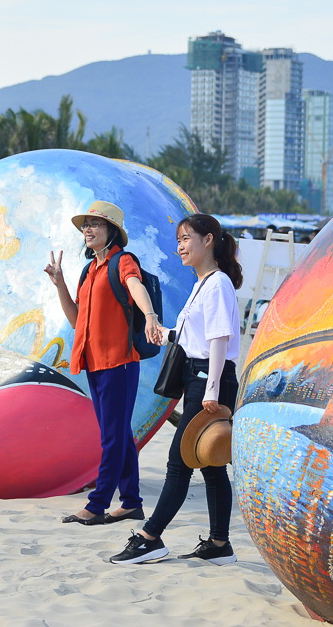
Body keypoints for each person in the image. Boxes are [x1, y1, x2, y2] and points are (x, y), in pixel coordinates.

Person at [110, 213, 243, 565]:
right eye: (178, 240)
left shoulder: (217, 284)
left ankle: (150, 537)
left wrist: (212, 391)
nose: (180, 246)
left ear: (208, 240)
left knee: (179, 462)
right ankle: (219, 544)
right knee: (210, 464)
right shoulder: (203, 284)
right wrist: (166, 334)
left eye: (186, 238)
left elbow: (218, 340)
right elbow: (197, 336)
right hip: (199, 376)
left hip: (209, 379)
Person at [44, 201, 160, 526]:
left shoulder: (122, 261)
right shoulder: (90, 270)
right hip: (95, 364)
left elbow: (135, 286)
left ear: (111, 232)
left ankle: (97, 505)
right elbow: (77, 320)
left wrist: (150, 316)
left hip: (119, 364)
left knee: (111, 438)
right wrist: (60, 284)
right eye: (86, 225)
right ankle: (131, 502)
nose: (88, 230)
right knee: (120, 435)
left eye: (96, 224)